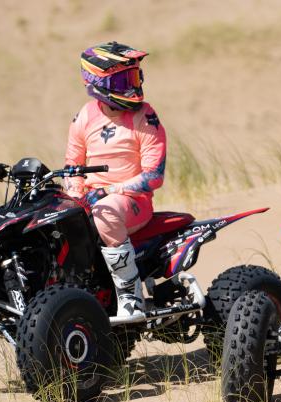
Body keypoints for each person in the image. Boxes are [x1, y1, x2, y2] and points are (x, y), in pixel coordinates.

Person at [64, 41, 166, 317]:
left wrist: (111, 189)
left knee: (104, 214)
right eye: (123, 79)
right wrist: (75, 198)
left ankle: (131, 295)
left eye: (135, 77)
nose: (132, 85)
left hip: (133, 201)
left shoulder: (145, 116)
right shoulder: (85, 116)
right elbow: (72, 164)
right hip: (91, 198)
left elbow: (154, 176)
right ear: (96, 82)